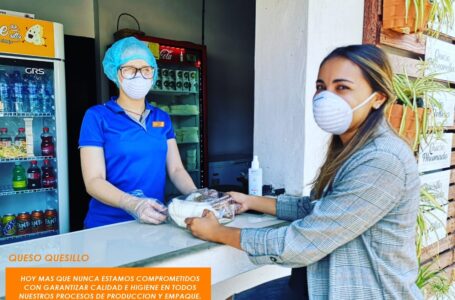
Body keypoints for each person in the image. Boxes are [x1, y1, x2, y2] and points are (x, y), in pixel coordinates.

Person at [185, 45, 422, 299]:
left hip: (360, 289)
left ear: (378, 97)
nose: (326, 98)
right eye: (322, 87)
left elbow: (301, 244)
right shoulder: (352, 147)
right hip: (319, 281)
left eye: (342, 87)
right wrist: (252, 201)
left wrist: (217, 232)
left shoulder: (382, 160)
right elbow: (322, 209)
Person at [79, 37, 197, 228]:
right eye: (129, 69)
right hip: (107, 225)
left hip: (154, 220)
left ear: (153, 73)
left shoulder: (162, 117)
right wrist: (132, 204)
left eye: (145, 69)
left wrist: (196, 195)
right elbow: (93, 180)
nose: (139, 75)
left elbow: (176, 170)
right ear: (116, 74)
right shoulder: (97, 117)